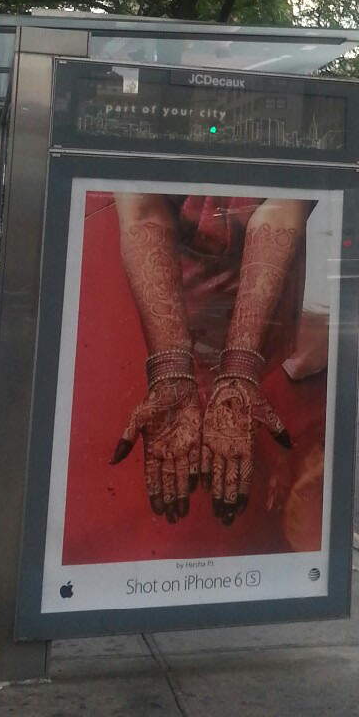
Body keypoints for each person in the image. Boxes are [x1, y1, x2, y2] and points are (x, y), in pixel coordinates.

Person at [109, 192, 316, 529]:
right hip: (163, 320)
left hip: (267, 334)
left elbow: (284, 206)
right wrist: (171, 369)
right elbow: (143, 210)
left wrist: (240, 367)